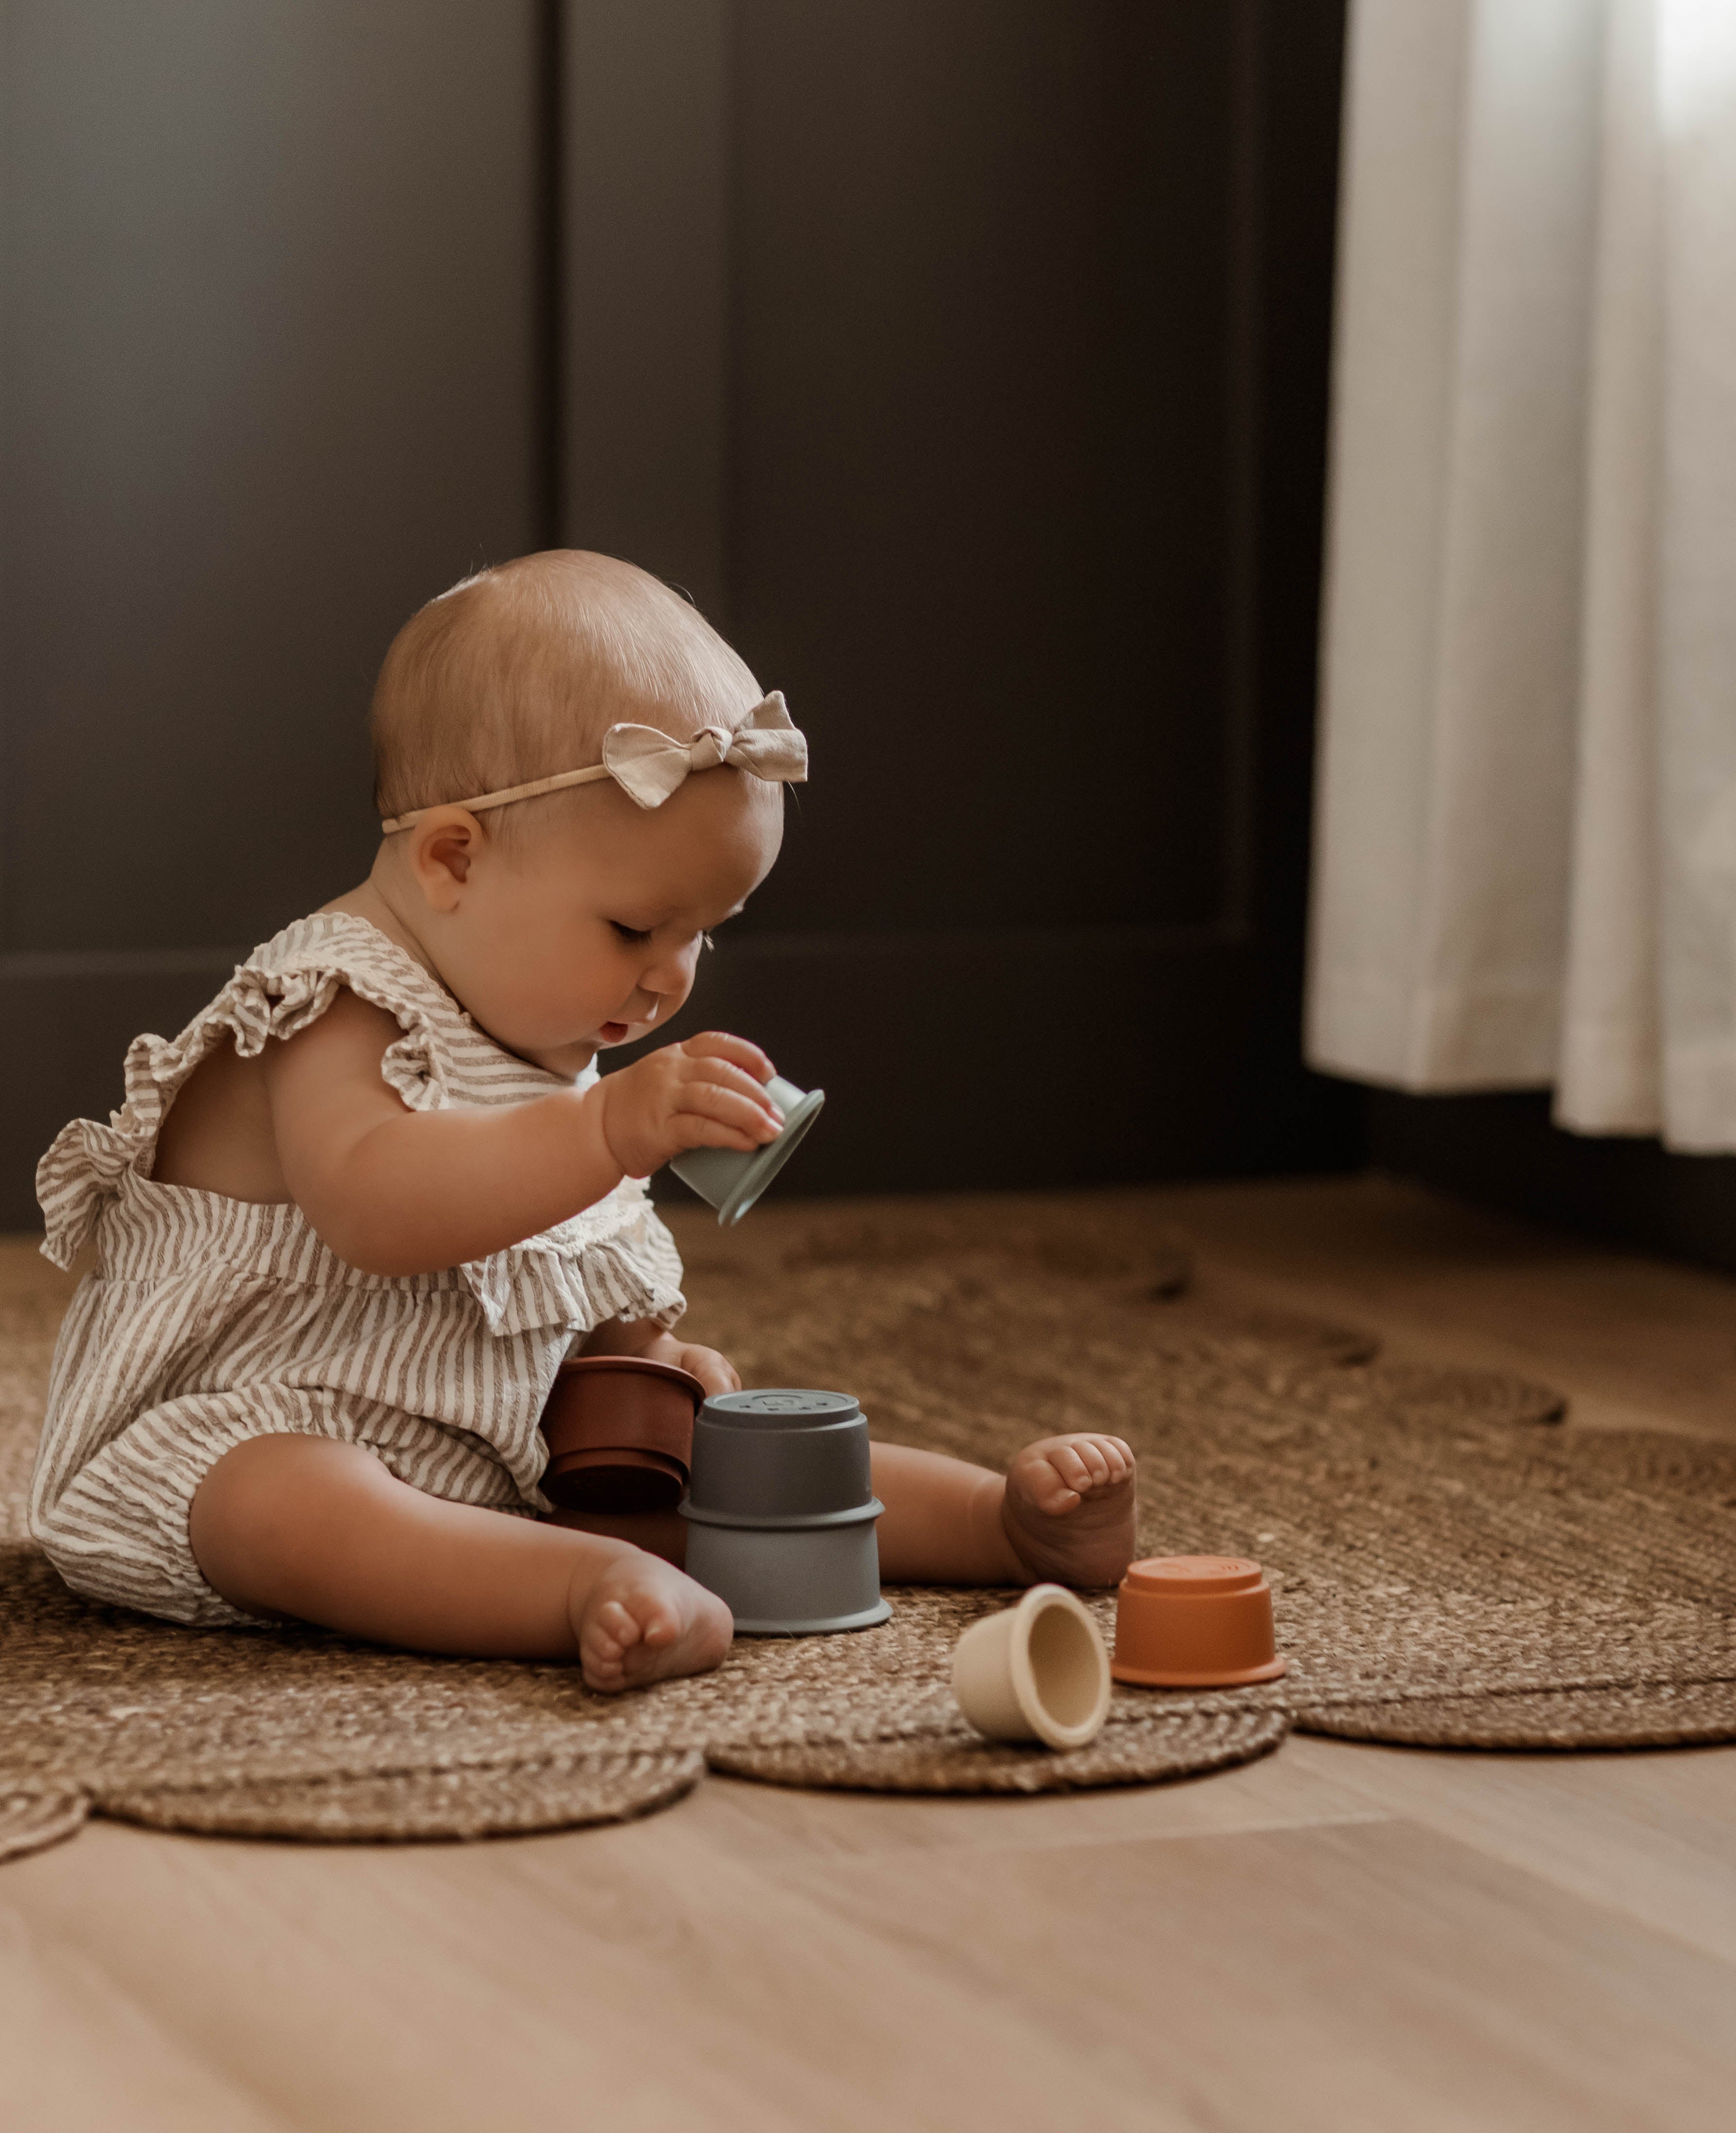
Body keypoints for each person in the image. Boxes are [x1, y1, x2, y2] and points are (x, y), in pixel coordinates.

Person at [31, 552, 1135, 1690]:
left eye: (705, 931)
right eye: (634, 927)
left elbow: (521, 1277)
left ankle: (995, 1523)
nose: (670, 979)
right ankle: (569, 1588)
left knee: (702, 1441)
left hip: (502, 1435)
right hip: (246, 1423)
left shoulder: (535, 1012)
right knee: (289, 1503)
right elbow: (373, 1205)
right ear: (452, 857)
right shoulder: (331, 997)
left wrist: (638, 1358)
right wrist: (607, 1130)